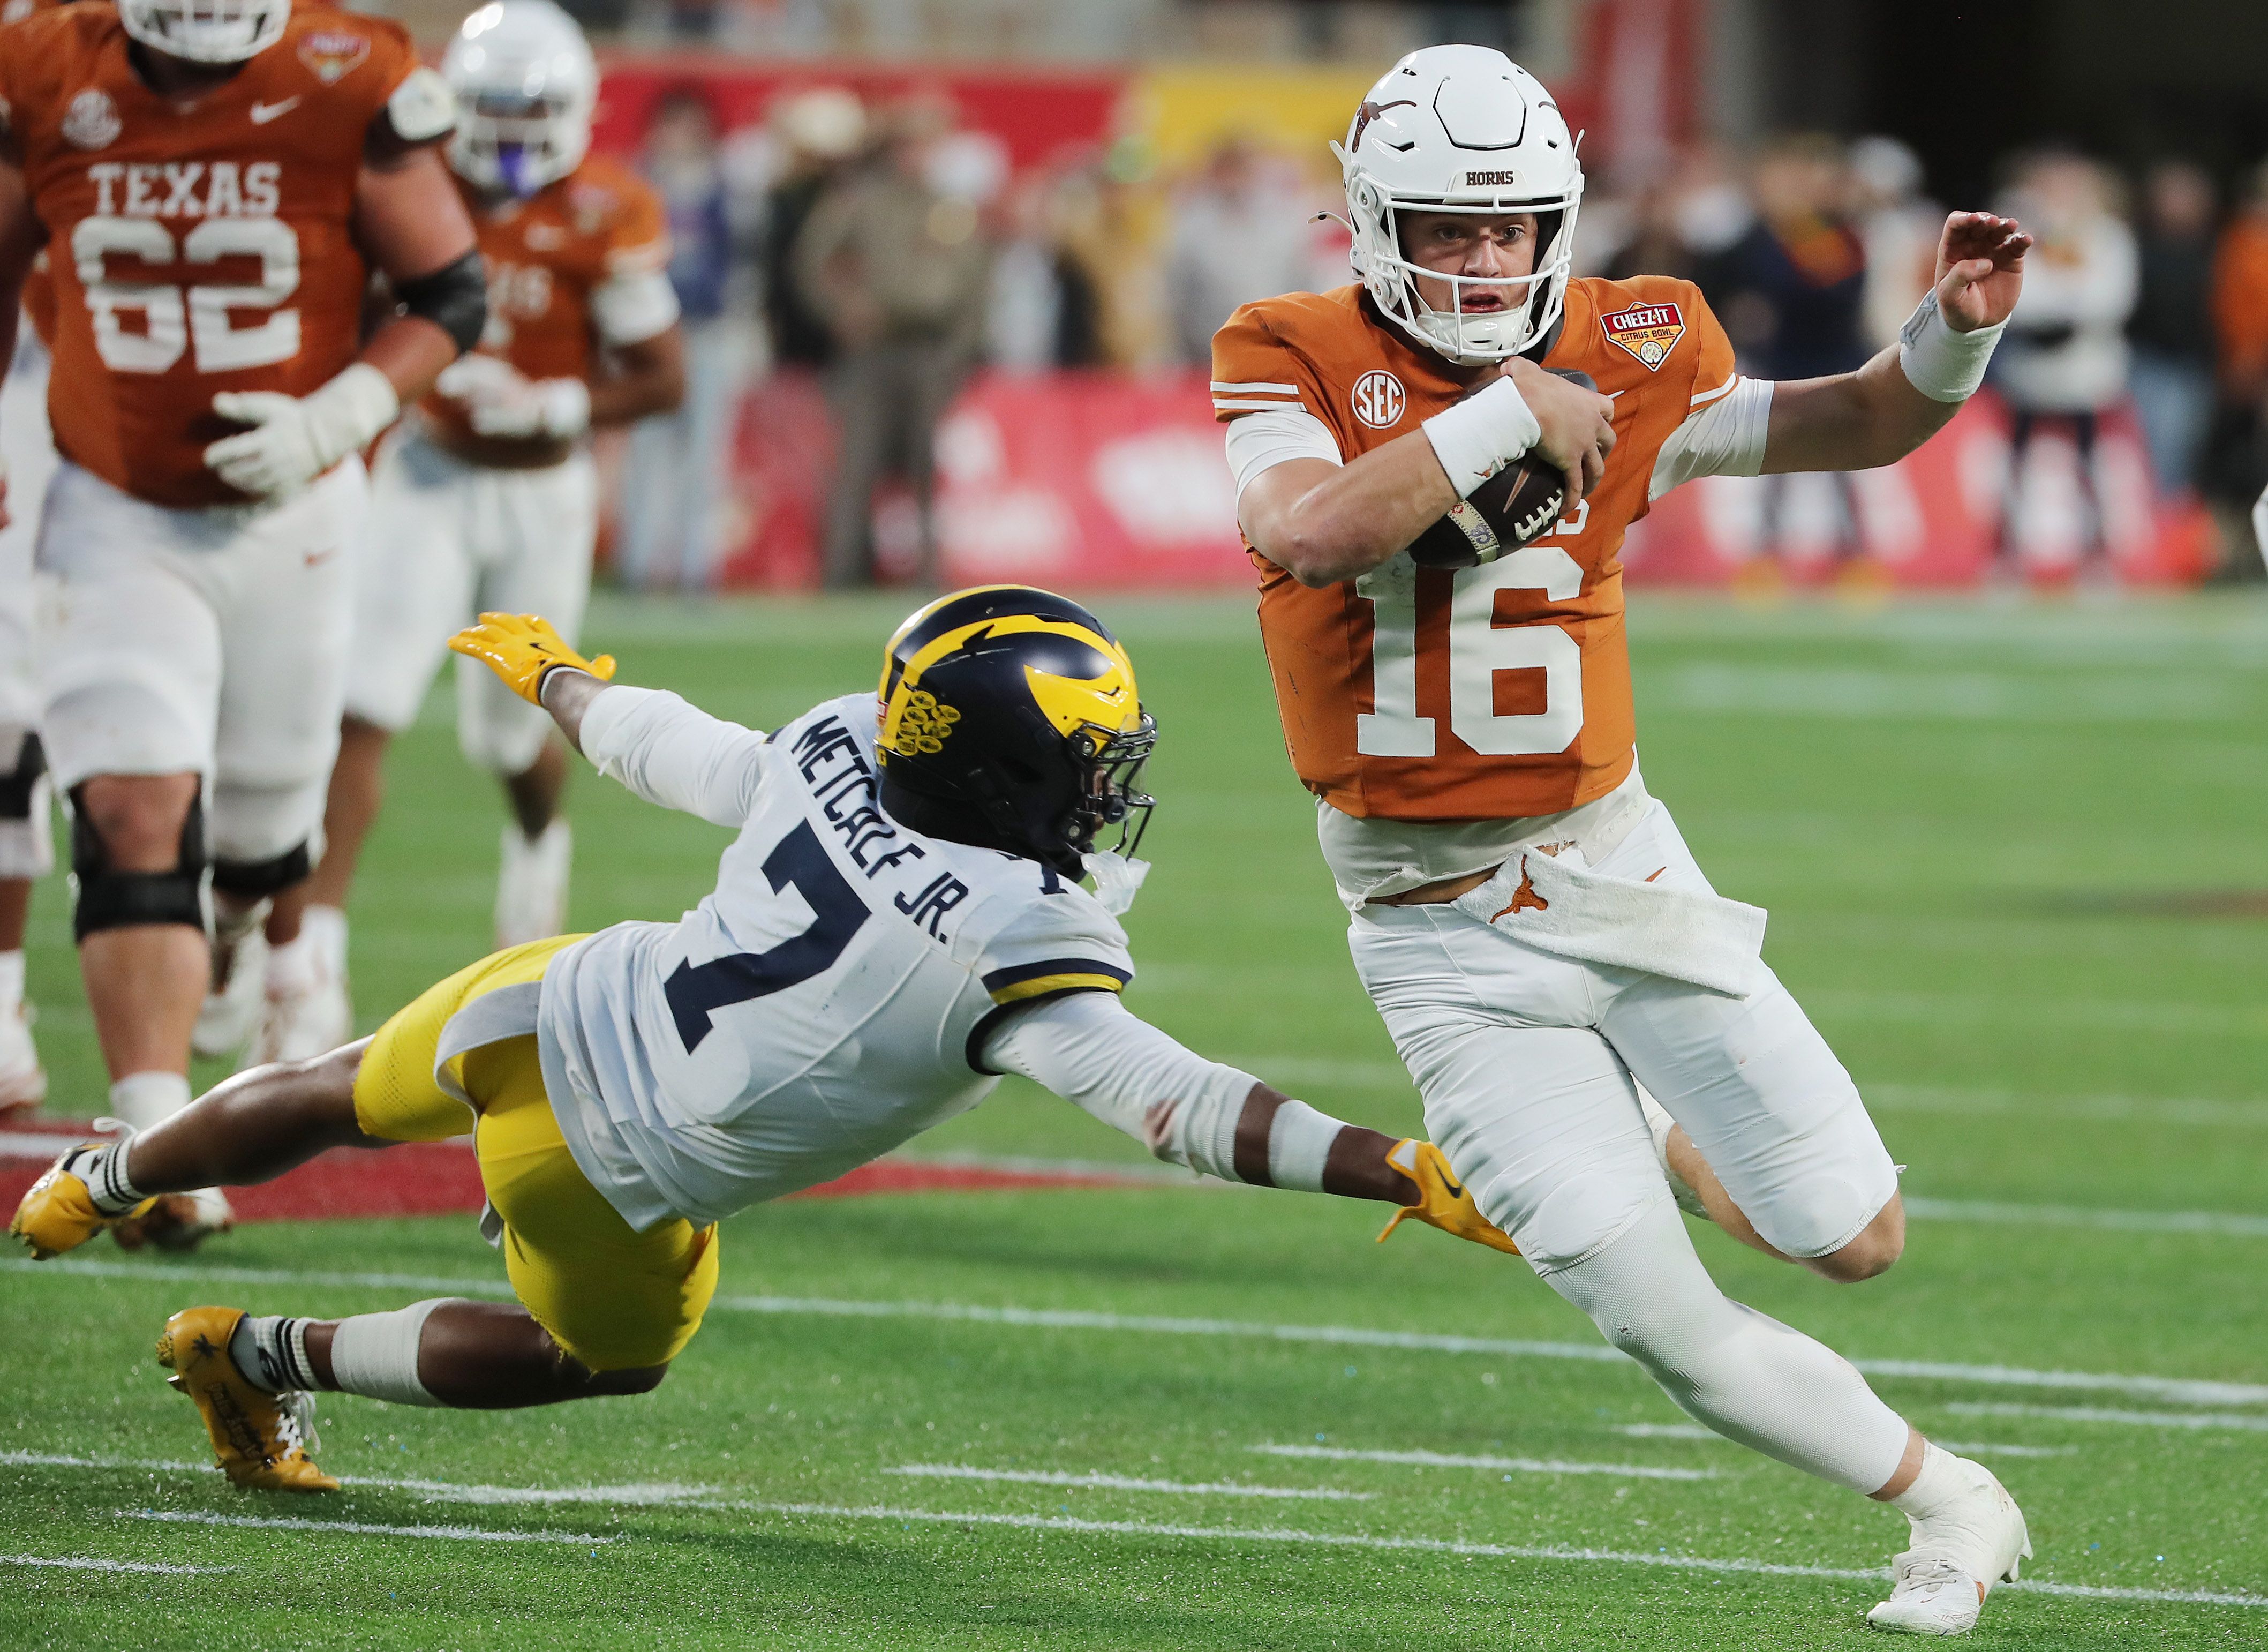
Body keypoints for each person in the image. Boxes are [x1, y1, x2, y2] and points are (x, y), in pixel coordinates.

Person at [11, 588, 1521, 1488]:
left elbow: (679, 750)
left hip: (555, 994)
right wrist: (1387, 1161)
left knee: (340, 1088)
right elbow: (1174, 1102)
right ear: (997, 772)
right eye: (1077, 763)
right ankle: (253, 1354)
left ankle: (108, 1170)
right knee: (591, 1361)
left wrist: (560, 681)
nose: (1099, 789)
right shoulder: (1021, 933)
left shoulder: (842, 742)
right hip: (612, 1167)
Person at [1215, 46, 2032, 1637]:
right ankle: (1949, 1504)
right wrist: (1503, 410)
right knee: (1655, 1317)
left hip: (1613, 869)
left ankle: (1654, 1112)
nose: (1485, 261)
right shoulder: (1288, 345)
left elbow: (1850, 424)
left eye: (1511, 226)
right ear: (1376, 224)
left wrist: (1951, 334)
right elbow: (1307, 531)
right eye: (1446, 230)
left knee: (1851, 1238)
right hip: (1431, 927)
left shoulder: (1633, 340)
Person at [0, 0, 483, 1246]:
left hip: (296, 516)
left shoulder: (345, 70)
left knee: (269, 836)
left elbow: (451, 288)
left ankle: (227, 931)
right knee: (130, 808)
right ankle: (157, 1144)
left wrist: (334, 419)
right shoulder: (46, 64)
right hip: (114, 503)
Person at [278, 0, 687, 1063]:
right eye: (490, 113)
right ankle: (310, 955)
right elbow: (356, 315)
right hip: (428, 471)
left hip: (542, 490)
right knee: (363, 699)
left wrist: (561, 406)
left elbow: (661, 376)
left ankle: (536, 842)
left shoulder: (609, 208)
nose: (507, 141)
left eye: (529, 114)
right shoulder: (421, 183)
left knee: (511, 731)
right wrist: (422, 367)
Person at [795, 99, 990, 588]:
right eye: (909, 145)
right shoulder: (860, 200)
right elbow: (811, 263)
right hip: (872, 348)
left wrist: (959, 353)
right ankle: (842, 572)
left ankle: (929, 574)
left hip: (929, 348)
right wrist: (840, 313)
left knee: (927, 468)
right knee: (856, 464)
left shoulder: (951, 208)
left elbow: (974, 287)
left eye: (926, 145)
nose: (917, 156)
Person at [616, 84, 743, 592]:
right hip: (650, 334)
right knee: (646, 456)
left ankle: (697, 569)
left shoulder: (722, 186)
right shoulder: (637, 184)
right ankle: (639, 566)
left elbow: (737, 264)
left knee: (702, 459)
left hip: (707, 334)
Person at [1990, 150, 2137, 582]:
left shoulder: (2107, 235)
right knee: (2015, 465)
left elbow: (2110, 298)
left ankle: (2097, 558)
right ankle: (2005, 557)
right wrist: (2062, 301)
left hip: (2085, 371)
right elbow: (2015, 295)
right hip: (2028, 369)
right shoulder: (2017, 231)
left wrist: (2062, 302)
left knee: (2091, 466)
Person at [1164, 137, 1315, 368]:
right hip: (1208, 354)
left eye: (1241, 169)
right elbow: (1177, 297)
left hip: (1276, 350)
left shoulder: (1282, 221)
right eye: (1228, 170)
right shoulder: (1191, 227)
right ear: (1215, 173)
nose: (1234, 179)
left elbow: (1302, 285)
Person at [2124, 161, 2217, 498]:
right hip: (2144, 360)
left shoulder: (2214, 250)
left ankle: (2170, 529)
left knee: (2177, 450)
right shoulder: (2137, 244)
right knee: (2139, 450)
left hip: (2192, 366)